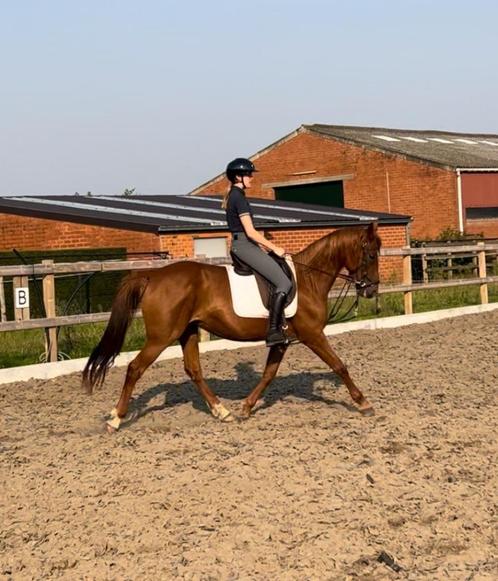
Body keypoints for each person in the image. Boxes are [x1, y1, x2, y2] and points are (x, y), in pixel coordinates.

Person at [222, 157, 292, 347]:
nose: (252, 177)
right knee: (284, 282)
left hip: (244, 244)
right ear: (238, 177)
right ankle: (274, 330)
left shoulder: (234, 196)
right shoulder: (239, 197)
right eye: (248, 174)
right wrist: (274, 247)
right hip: (244, 245)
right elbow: (251, 231)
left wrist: (261, 246)